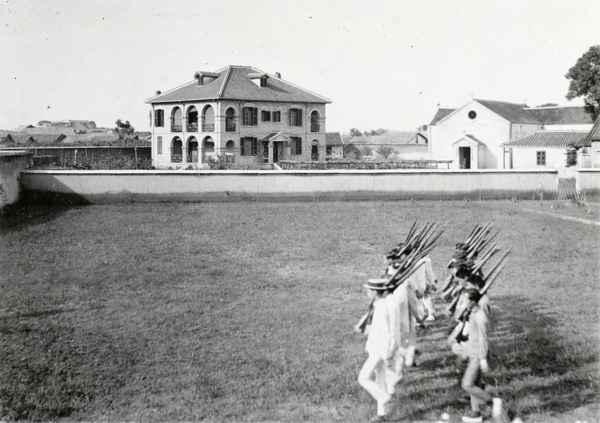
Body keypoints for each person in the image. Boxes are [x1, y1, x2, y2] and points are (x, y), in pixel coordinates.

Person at [460, 288, 501, 423]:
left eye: (465, 300)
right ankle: (476, 414)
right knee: (475, 384)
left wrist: (483, 359)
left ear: (472, 301)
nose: (463, 302)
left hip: (478, 356)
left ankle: (493, 401)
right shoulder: (473, 312)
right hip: (473, 353)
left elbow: (484, 339)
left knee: (467, 384)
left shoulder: (480, 317)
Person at [358, 279, 396, 423]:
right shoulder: (378, 305)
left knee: (363, 378)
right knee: (380, 380)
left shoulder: (382, 309)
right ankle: (382, 414)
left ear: (375, 292)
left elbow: (388, 332)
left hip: (380, 351)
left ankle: (386, 399)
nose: (367, 293)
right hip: (375, 348)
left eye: (369, 290)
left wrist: (387, 354)